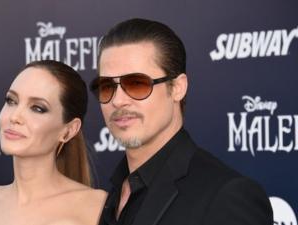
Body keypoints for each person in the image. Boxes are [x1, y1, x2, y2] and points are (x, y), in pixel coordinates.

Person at [90, 18, 273, 225]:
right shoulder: (110, 194)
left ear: (177, 88)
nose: (118, 100)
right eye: (107, 86)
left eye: (137, 84)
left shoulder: (225, 195)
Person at [0, 60, 106, 225]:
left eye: (37, 108)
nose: (15, 117)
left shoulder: (96, 207)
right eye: (11, 101)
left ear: (68, 130)